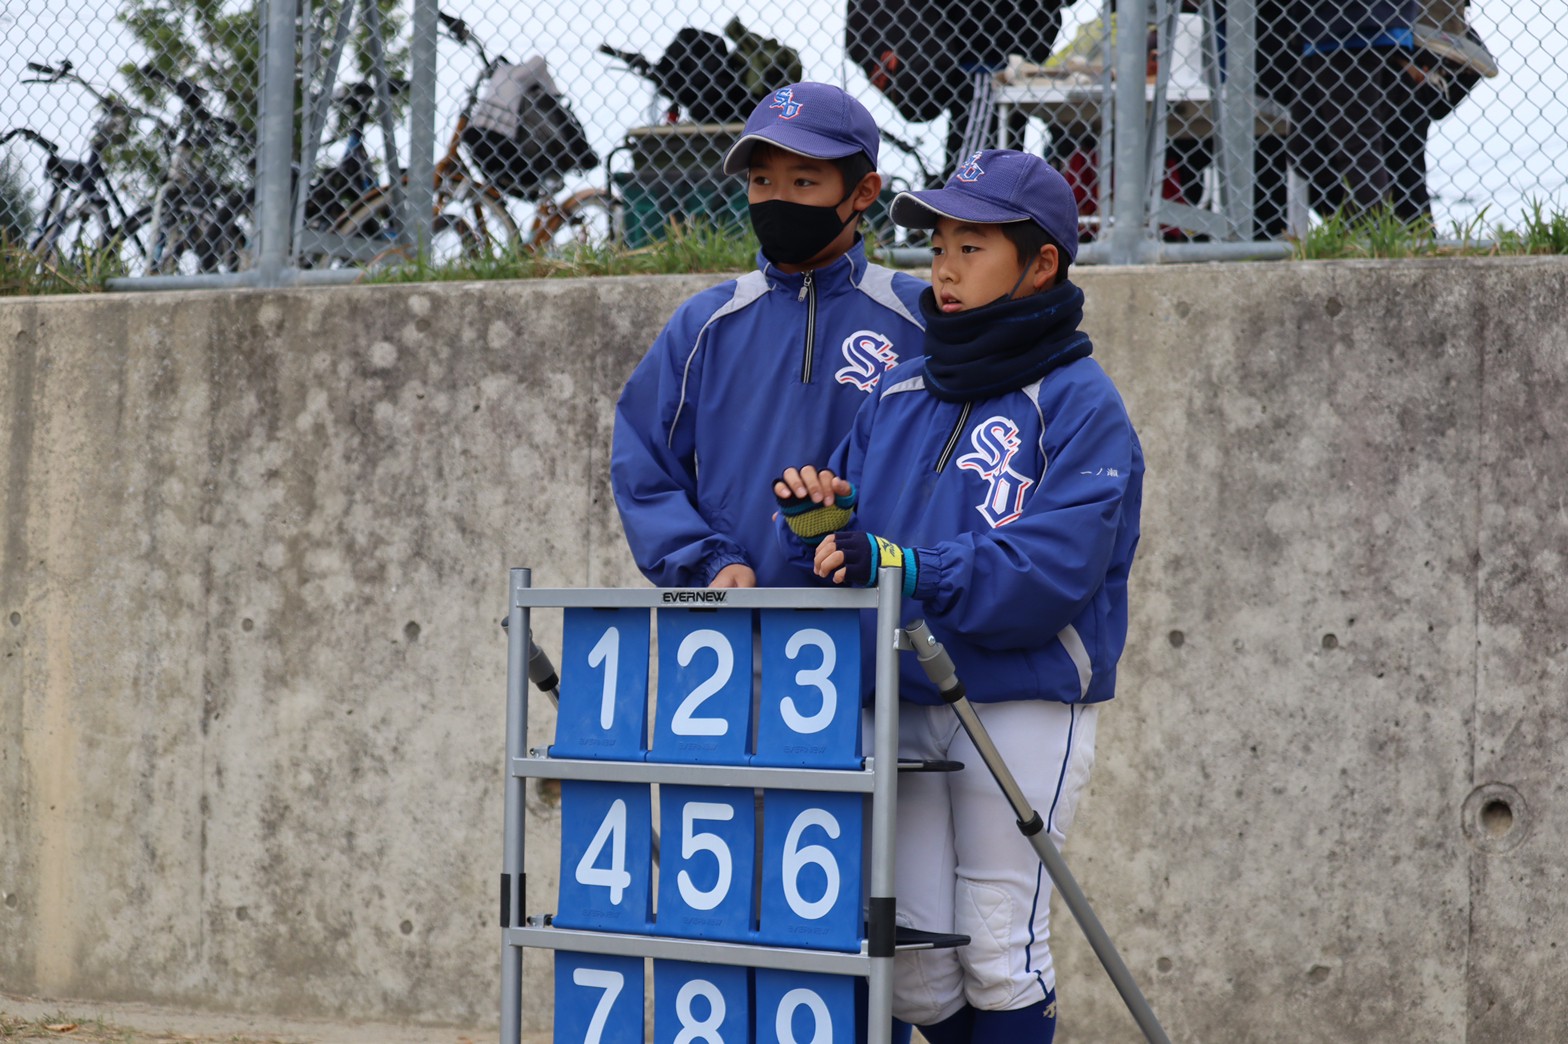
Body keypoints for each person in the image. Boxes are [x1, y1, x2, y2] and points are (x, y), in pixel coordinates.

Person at [770, 149, 1143, 1043]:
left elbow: (1050, 572)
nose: (943, 266)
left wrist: (907, 566)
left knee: (997, 949)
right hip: (901, 694)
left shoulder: (1084, 404)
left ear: (1041, 264)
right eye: (939, 245)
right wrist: (822, 525)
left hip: (1020, 699)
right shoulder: (899, 389)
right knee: (916, 968)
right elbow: (859, 545)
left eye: (971, 247)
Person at [610, 81, 927, 590]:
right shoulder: (706, 323)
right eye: (761, 180)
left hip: (880, 615)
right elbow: (643, 462)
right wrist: (708, 560)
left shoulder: (920, 318)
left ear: (864, 191)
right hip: (738, 616)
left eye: (803, 181)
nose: (778, 199)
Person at [1288, 0, 1490, 226]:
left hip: (1357, 22)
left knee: (1367, 146)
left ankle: (1375, 234)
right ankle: (1368, 228)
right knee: (1307, 149)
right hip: (1336, 25)